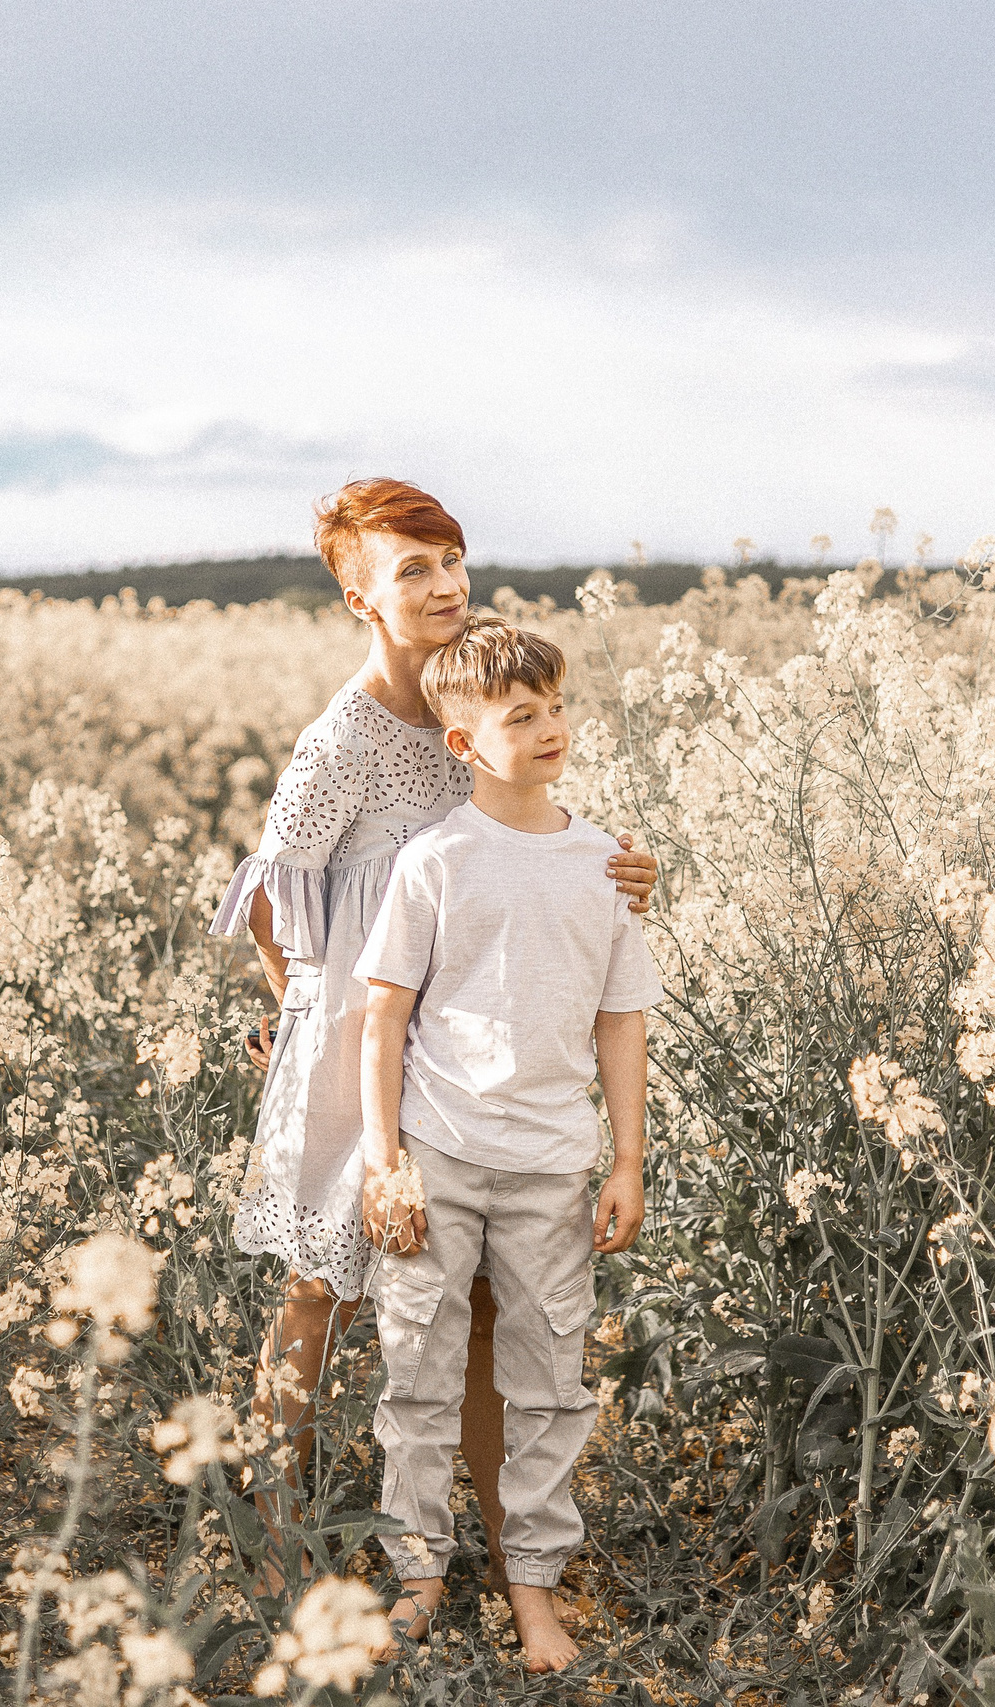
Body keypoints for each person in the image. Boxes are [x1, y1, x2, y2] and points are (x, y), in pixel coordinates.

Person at [211, 479, 656, 1586]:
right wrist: (300, 1011)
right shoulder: (342, 739)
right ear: (361, 598)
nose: (446, 583)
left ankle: (504, 1549)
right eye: (413, 568)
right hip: (355, 1037)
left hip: (463, 1046)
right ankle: (273, 1536)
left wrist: (623, 872)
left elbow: (524, 837)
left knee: (481, 1293)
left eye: (451, 558)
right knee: (322, 1289)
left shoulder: (478, 696)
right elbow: (267, 894)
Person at [352, 617, 660, 1673]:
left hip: (552, 1164)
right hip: (436, 1155)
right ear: (464, 744)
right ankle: (418, 1577)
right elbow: (384, 1016)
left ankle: (534, 1589)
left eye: (556, 708)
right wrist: (384, 1161)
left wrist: (627, 1158)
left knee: (551, 1382)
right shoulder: (435, 859)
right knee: (417, 1373)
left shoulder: (605, 863)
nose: (549, 729)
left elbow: (621, 1017)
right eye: (520, 716)